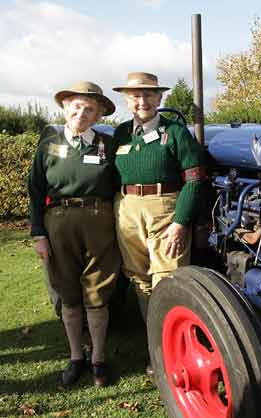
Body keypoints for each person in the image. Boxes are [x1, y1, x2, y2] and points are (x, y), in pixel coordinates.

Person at [28, 81, 121, 387]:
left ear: (98, 116)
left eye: (89, 108)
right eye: (76, 106)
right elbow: (35, 190)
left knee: (98, 289)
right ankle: (75, 356)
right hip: (58, 222)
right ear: (66, 109)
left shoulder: (107, 145)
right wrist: (38, 234)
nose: (82, 112)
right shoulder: (48, 144)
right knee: (67, 289)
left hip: (99, 221)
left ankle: (98, 359)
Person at [112, 72, 205, 374]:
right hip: (127, 210)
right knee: (140, 280)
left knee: (168, 281)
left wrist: (181, 222)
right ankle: (158, 346)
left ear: (160, 98)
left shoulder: (176, 132)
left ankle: (174, 354)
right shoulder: (121, 134)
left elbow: (195, 179)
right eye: (136, 96)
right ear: (127, 100)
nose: (143, 101)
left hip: (166, 209)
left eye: (149, 95)